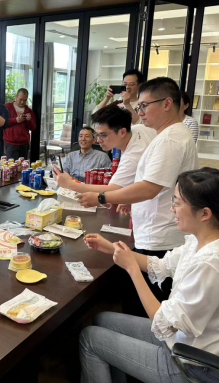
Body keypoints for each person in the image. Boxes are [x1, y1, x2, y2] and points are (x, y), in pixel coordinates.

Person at [79, 168, 219, 383]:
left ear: (204, 214)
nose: (172, 209)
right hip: (189, 343)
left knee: (90, 339)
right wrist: (111, 248)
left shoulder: (211, 264)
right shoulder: (212, 235)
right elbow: (161, 265)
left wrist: (131, 269)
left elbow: (162, 320)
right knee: (102, 319)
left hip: (195, 366)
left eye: (177, 203)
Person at [79, 77, 198, 308]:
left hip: (159, 236)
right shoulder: (165, 133)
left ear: (167, 103)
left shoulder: (170, 140)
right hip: (156, 230)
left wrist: (101, 197)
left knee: (143, 304)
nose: (139, 111)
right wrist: (132, 201)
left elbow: (149, 188)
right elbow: (154, 184)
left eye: (144, 105)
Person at [54, 104, 156, 192]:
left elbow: (113, 190)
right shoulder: (138, 128)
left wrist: (70, 184)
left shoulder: (133, 156)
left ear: (122, 132)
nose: (98, 140)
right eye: (97, 135)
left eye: (103, 135)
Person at [3, 88, 36, 160]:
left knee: (23, 165)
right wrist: (15, 120)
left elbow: (33, 128)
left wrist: (29, 120)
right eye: (20, 99)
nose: (22, 102)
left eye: (25, 100)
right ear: (16, 96)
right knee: (12, 165)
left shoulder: (29, 111)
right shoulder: (7, 107)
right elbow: (2, 122)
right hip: (11, 143)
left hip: (24, 143)